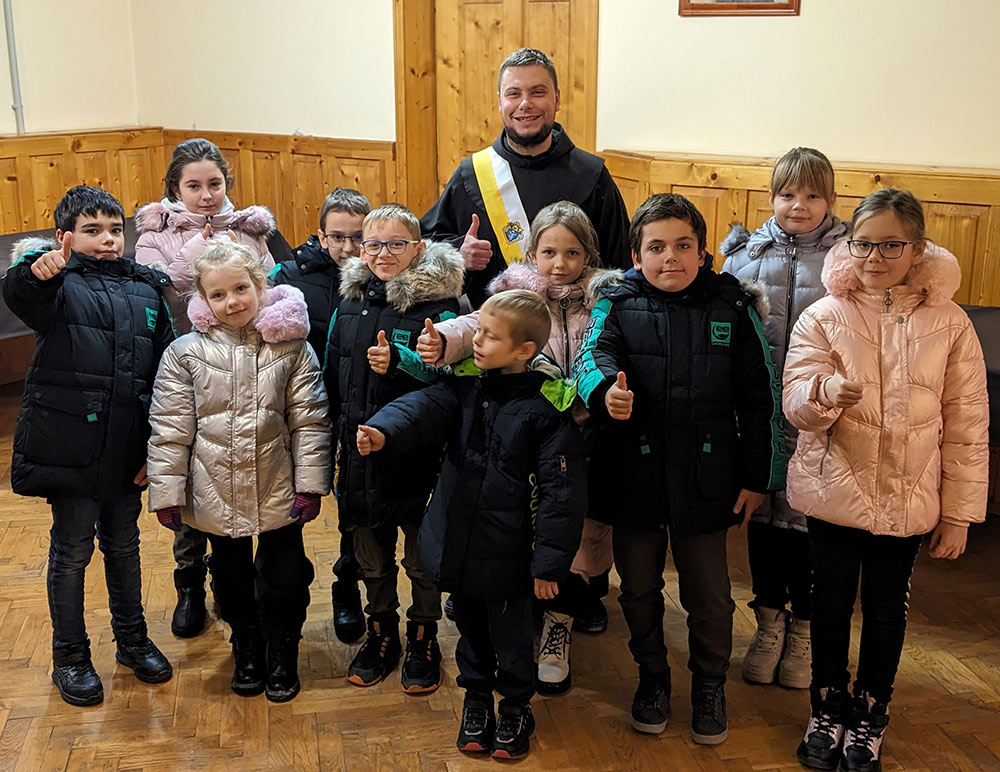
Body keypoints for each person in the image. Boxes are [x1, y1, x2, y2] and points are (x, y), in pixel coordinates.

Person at [784, 189, 988, 772]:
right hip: (833, 494)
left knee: (885, 611)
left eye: (892, 244)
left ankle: (870, 713)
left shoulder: (950, 323)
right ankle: (827, 706)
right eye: (864, 243)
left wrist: (958, 514)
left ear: (917, 248)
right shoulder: (823, 314)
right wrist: (823, 394)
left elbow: (968, 420)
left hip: (908, 497)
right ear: (850, 245)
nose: (876, 256)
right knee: (827, 606)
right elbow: (796, 402)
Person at [574, 193, 785, 744]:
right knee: (638, 587)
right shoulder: (615, 302)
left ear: (703, 250)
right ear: (636, 255)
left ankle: (709, 684)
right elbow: (592, 358)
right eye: (657, 247)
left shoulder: (731, 306)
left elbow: (759, 393)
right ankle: (652, 677)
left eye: (683, 245)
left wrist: (756, 477)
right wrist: (605, 395)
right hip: (633, 476)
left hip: (707, 477)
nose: (671, 257)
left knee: (710, 594)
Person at [357, 289, 587, 759]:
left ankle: (517, 705)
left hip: (510, 556)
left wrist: (549, 564)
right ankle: (477, 698)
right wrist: (383, 430)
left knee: (513, 639)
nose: (476, 343)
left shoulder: (547, 410)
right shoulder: (467, 387)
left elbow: (563, 496)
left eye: (489, 336)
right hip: (458, 539)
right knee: (471, 634)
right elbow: (423, 408)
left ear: (525, 350)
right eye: (476, 331)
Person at [416, 201, 621, 693]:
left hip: (588, 436)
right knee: (518, 530)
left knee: (579, 532)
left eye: (572, 252)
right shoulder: (513, 293)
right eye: (548, 251)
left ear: (588, 255)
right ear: (531, 253)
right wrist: (444, 340)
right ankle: (516, 604)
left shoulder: (605, 301)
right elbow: (477, 327)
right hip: (523, 439)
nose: (559, 263)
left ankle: (559, 624)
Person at [2, 185, 175, 706]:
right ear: (64, 238)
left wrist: (155, 449)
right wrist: (35, 271)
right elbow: (21, 292)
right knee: (72, 550)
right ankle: (70, 655)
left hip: (126, 448)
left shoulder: (146, 290)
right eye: (91, 230)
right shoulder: (56, 284)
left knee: (124, 546)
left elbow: (164, 375)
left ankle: (132, 639)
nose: (106, 240)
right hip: (70, 445)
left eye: (114, 230)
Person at [146, 242, 330, 703]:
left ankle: (283, 646)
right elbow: (170, 429)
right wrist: (167, 491)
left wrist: (310, 485)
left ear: (260, 285)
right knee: (229, 579)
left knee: (286, 577)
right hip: (213, 490)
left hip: (278, 485)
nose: (233, 302)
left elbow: (309, 420)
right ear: (203, 301)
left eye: (241, 288)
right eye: (219, 295)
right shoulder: (184, 353)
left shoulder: (291, 347)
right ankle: (246, 642)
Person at [135, 137, 277, 640]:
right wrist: (209, 244)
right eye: (193, 186)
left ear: (227, 185)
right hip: (180, 361)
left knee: (229, 469)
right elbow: (164, 283)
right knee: (191, 469)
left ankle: (244, 581)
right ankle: (190, 580)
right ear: (175, 188)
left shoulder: (251, 227)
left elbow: (268, 282)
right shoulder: (156, 230)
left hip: (245, 364)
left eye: (214, 184)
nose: (205, 195)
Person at [720, 147, 847, 689]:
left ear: (831, 200)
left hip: (823, 417)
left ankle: (803, 629)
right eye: (788, 193)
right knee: (765, 519)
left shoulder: (847, 259)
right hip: (759, 416)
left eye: (813, 194)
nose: (799, 204)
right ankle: (768, 622)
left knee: (809, 524)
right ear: (771, 197)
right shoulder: (744, 258)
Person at [325, 203, 464, 693]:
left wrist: (403, 361)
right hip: (359, 449)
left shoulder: (441, 307)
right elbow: (331, 375)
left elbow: (452, 381)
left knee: (422, 555)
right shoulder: (350, 300)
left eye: (396, 244)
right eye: (373, 244)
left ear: (419, 248)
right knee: (370, 550)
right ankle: (380, 630)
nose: (384, 254)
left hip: (419, 456)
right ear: (360, 248)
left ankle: (424, 634)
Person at [420, 47, 630, 307]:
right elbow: (422, 245)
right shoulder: (471, 174)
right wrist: (458, 253)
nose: (525, 104)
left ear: (557, 98)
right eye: (514, 94)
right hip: (494, 334)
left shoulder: (591, 175)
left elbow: (620, 264)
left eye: (537, 92)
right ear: (500, 102)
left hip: (578, 335)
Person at [269, 187, 370, 644]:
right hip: (299, 413)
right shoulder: (288, 275)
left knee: (352, 505)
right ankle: (283, 590)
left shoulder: (382, 276)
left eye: (358, 237)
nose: (348, 248)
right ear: (320, 235)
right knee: (292, 502)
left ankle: (347, 586)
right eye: (338, 237)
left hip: (357, 410)